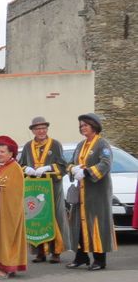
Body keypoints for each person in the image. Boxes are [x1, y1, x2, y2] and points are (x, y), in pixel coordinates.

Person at [65, 113, 117, 271]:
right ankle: (81, 257)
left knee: (97, 224)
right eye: (81, 126)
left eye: (85, 125)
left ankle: (100, 260)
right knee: (80, 224)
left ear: (94, 126)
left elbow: (106, 164)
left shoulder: (102, 144)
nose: (83, 128)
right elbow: (70, 163)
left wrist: (87, 172)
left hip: (97, 193)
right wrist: (72, 169)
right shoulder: (80, 145)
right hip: (81, 193)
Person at [18, 116, 70, 262]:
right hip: (34, 188)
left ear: (47, 129)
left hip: (52, 187)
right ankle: (40, 251)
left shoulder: (55, 145)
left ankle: (56, 252)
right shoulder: (28, 146)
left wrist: (48, 168)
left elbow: (63, 166)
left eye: (43, 128)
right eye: (37, 129)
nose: (41, 131)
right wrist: (26, 169)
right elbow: (20, 165)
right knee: (37, 216)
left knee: (54, 217)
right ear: (33, 130)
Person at [0, 136, 27, 279]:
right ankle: (9, 267)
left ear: (11, 153)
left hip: (9, 211)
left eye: (2, 151)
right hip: (0, 210)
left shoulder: (15, 168)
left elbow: (16, 191)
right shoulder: (1, 167)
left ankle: (5, 268)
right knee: (2, 239)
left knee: (7, 238)